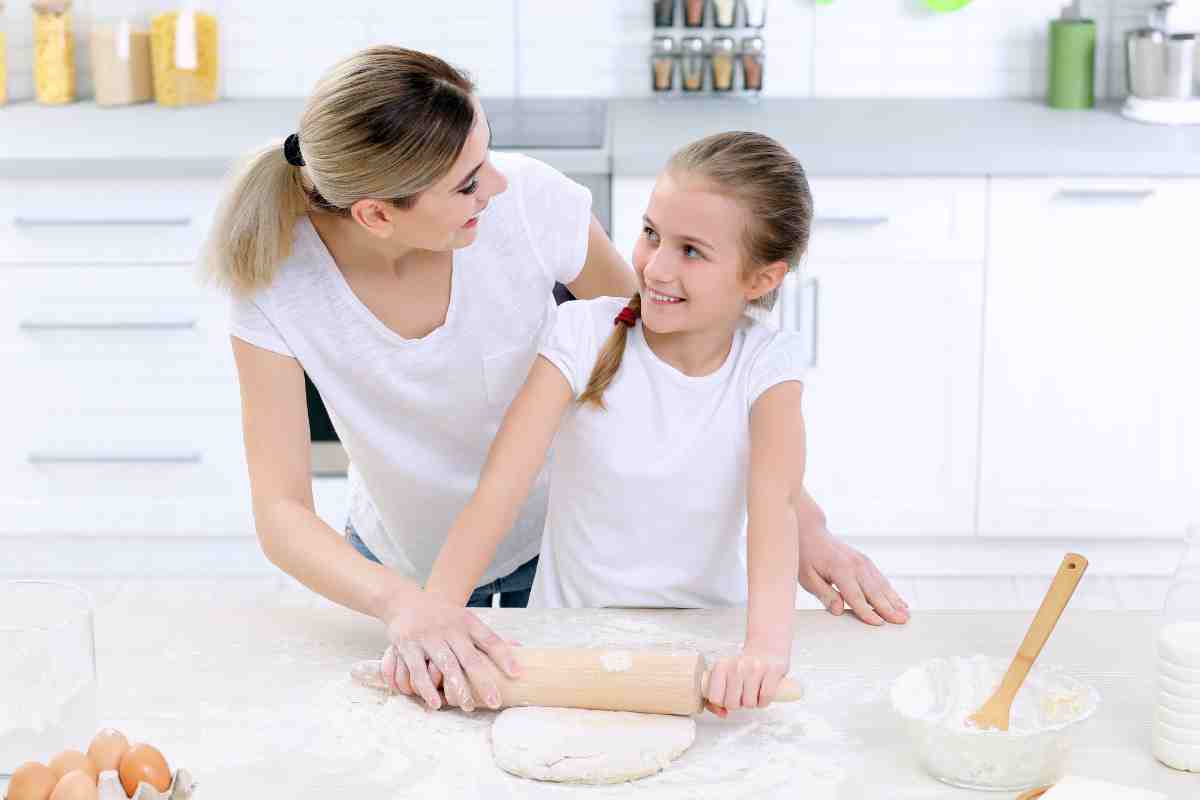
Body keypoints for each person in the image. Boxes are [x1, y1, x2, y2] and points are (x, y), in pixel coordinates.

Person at [205, 46, 905, 717]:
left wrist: (800, 521)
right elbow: (282, 512)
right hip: (407, 570)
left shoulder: (529, 204)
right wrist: (407, 605)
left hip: (559, 559)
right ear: (378, 215)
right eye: (469, 182)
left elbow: (671, 355)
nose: (499, 184)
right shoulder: (276, 282)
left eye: (487, 153)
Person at [381, 132, 907, 716]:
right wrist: (435, 614)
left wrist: (762, 651)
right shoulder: (579, 334)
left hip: (705, 643)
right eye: (652, 233)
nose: (654, 267)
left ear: (761, 279)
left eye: (691, 251)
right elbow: (499, 492)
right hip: (569, 641)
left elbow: (774, 511)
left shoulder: (767, 365)